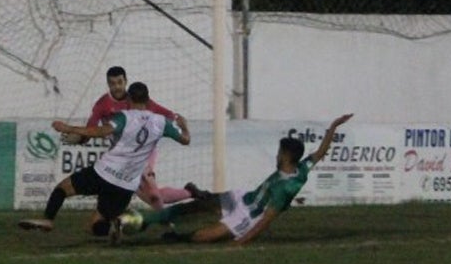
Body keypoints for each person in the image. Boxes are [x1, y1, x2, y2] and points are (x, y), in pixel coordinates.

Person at [114, 113, 353, 245]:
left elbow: (266, 220)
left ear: (287, 157)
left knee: (203, 238)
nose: (277, 156)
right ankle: (146, 219)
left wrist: (242, 242)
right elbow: (320, 153)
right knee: (195, 206)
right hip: (242, 197)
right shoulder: (301, 167)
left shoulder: (288, 188)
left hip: (247, 218)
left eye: (280, 153)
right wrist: (333, 126)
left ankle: (179, 237)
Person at [18, 81, 190, 236]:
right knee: (95, 226)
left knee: (61, 190)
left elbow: (100, 131)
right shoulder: (162, 123)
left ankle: (48, 219)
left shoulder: (125, 117)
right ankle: (121, 225)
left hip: (103, 173)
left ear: (129, 99)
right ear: (148, 99)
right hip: (126, 185)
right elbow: (185, 140)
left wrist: (69, 128)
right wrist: (184, 127)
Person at [66, 66, 205, 209]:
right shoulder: (102, 104)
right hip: (122, 155)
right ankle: (189, 192)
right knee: (151, 196)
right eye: (112, 83)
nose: (117, 87)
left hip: (144, 151)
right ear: (108, 84)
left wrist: (174, 123)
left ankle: (164, 221)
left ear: (125, 81)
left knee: (152, 195)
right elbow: (91, 129)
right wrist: (80, 138)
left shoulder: (137, 97)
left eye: (120, 82)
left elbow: (168, 114)